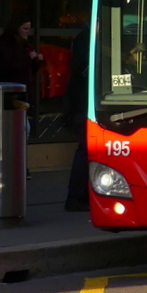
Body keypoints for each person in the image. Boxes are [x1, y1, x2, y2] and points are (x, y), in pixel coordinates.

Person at [64, 24, 90, 211]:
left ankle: (80, 195)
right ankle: (76, 196)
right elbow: (82, 68)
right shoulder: (86, 38)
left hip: (83, 101)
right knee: (85, 149)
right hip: (83, 102)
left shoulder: (85, 36)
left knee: (86, 149)